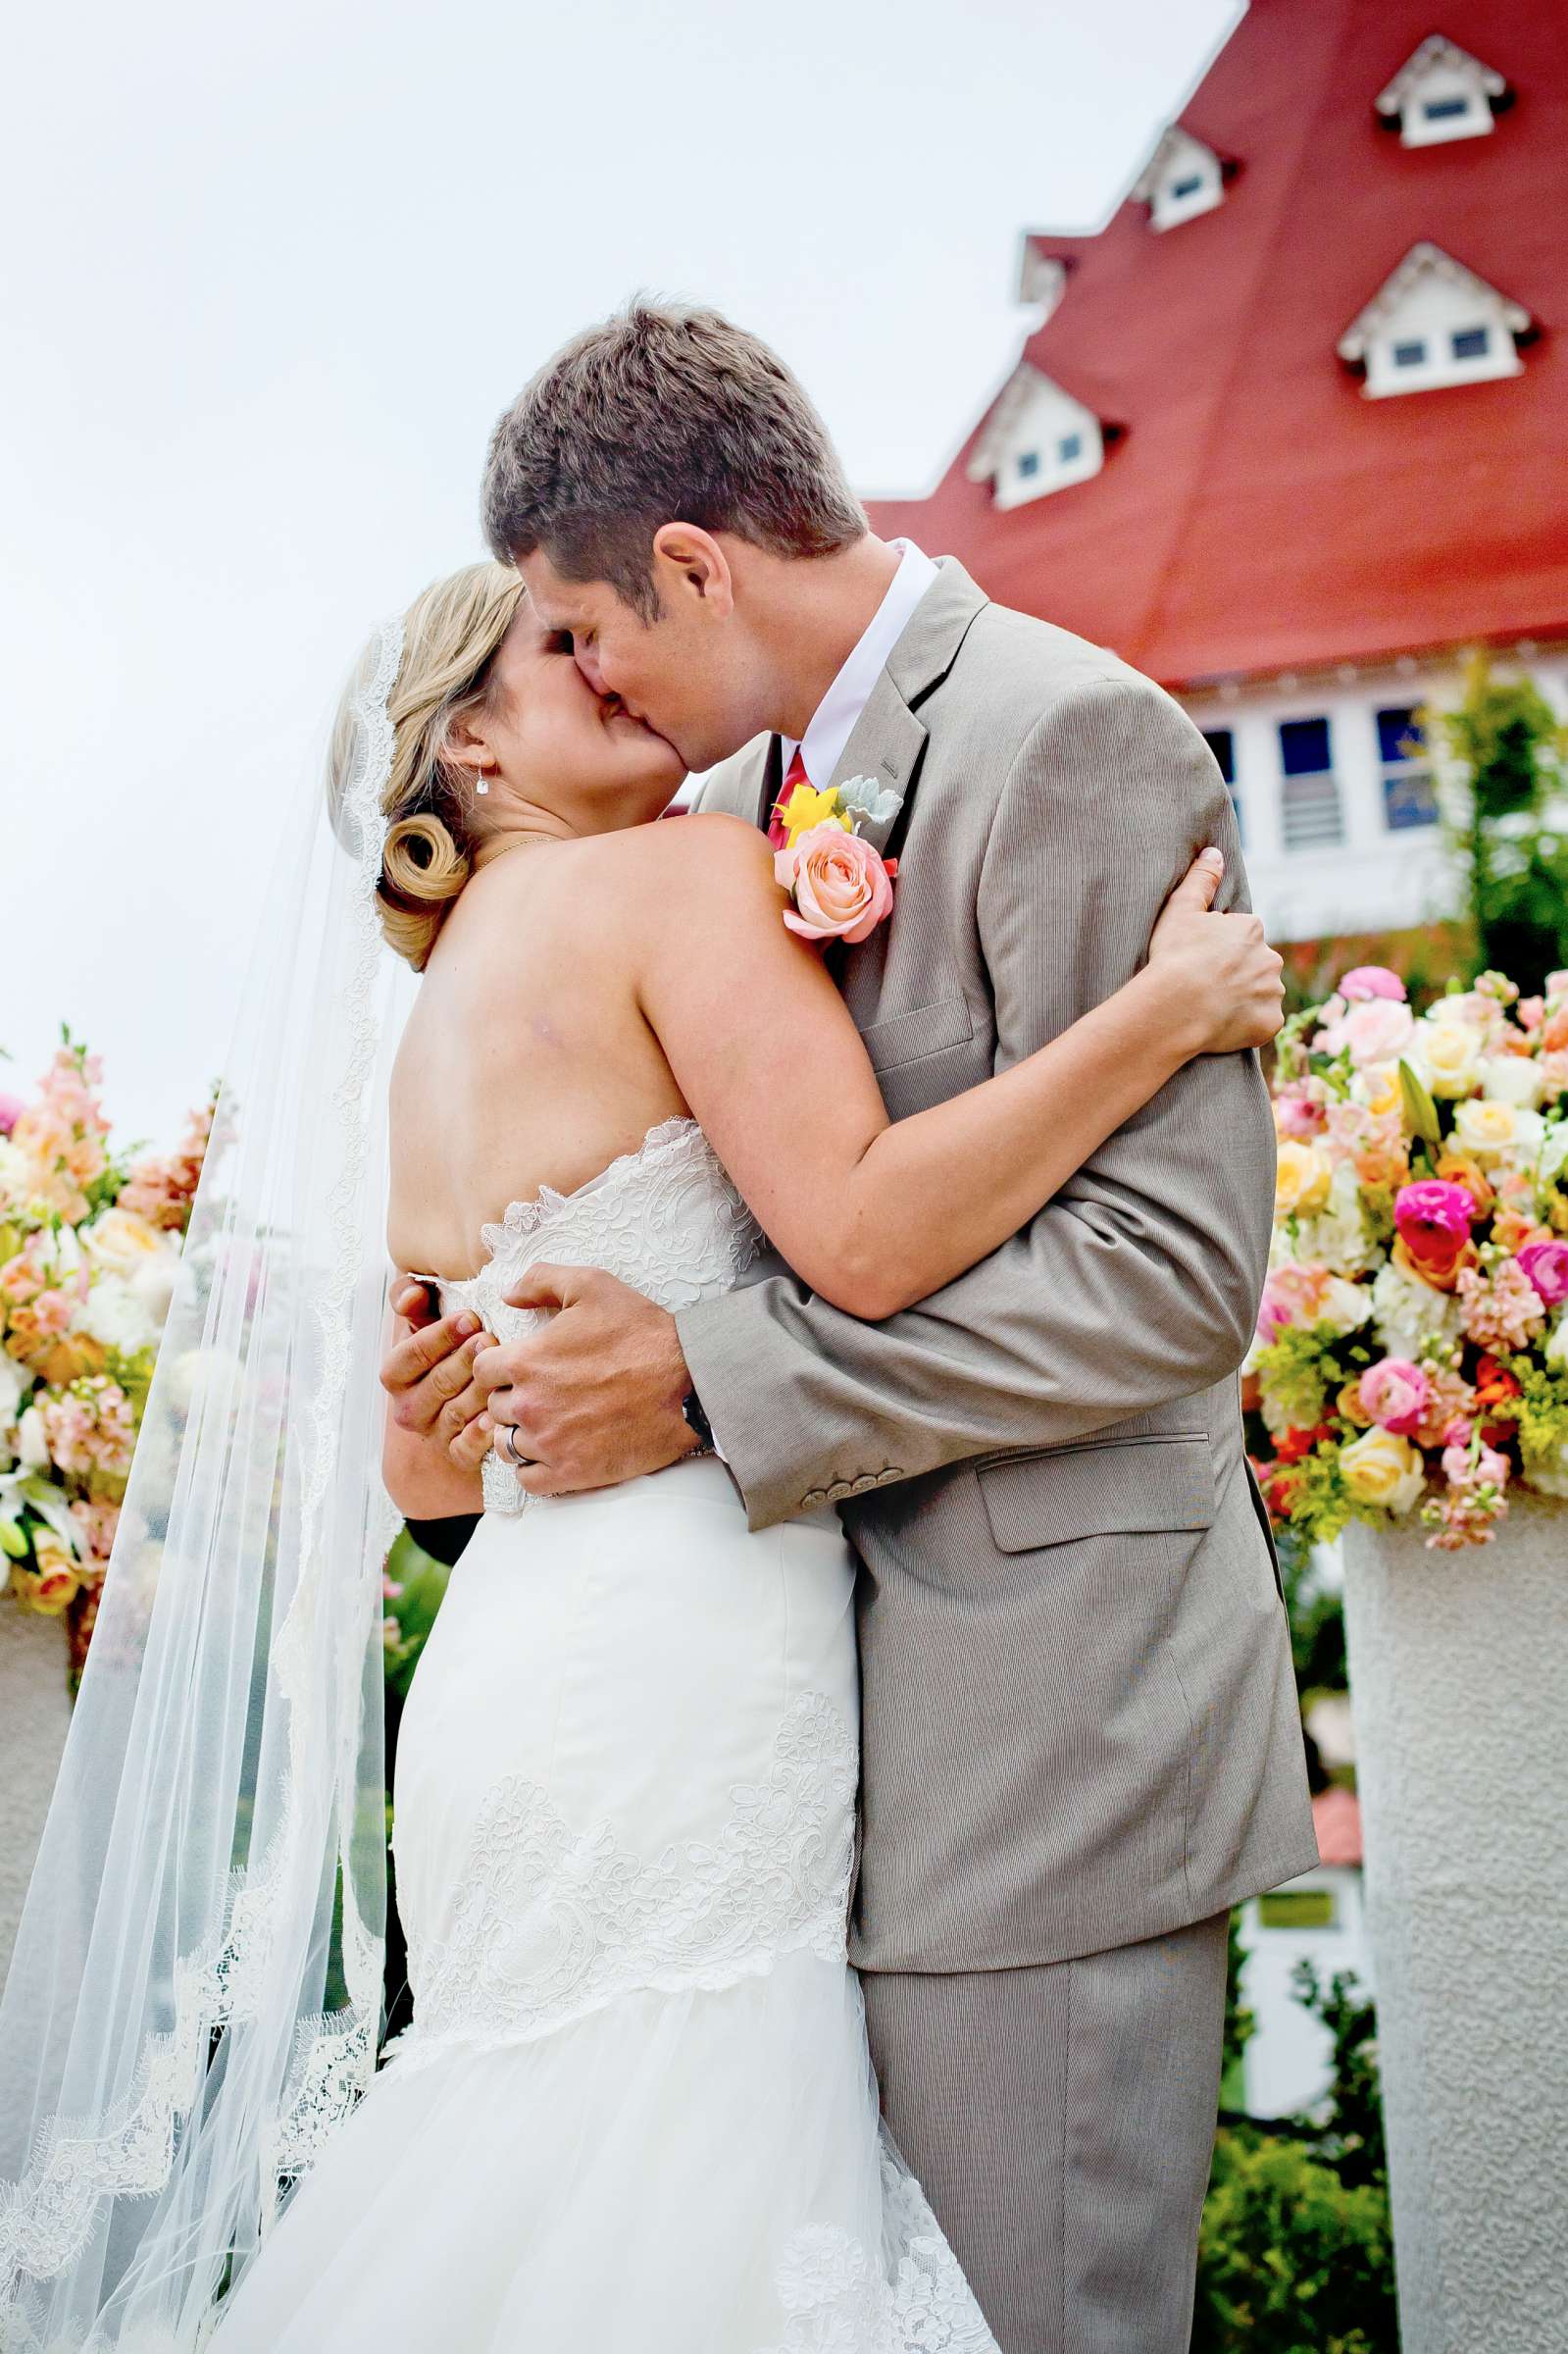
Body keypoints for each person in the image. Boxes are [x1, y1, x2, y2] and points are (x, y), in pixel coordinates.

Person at [199, 527, 1280, 2352]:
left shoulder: (428, 1029)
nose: (614, 671)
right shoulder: (675, 883)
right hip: (687, 1657)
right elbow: (857, 1227)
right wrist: (1155, 1016)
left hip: (507, 1685)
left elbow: (439, 1468)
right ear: (470, 747)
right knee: (697, 2179)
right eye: (560, 651)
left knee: (545, 2185)